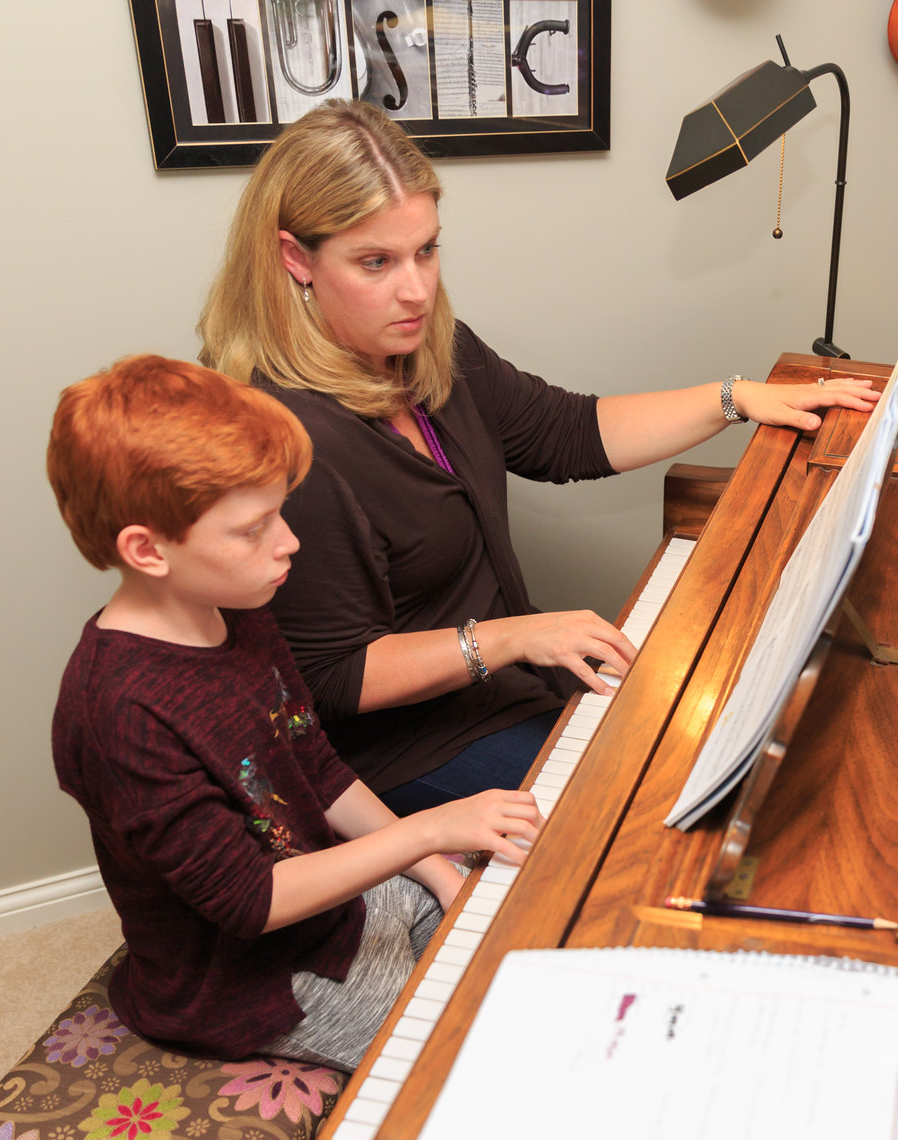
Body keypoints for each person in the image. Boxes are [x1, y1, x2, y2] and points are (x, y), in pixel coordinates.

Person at [197, 100, 877, 814]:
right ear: (295, 258)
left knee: (713, 736)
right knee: (644, 807)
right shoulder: (284, 438)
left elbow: (570, 433)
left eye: (427, 250)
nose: (417, 289)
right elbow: (332, 676)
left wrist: (735, 398)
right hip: (403, 751)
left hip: (502, 688)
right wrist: (517, 636)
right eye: (377, 262)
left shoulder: (431, 349)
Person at [46, 354, 544, 1067]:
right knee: (485, 1055)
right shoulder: (119, 711)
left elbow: (313, 764)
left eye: (281, 510)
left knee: (531, 934)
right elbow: (252, 901)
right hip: (256, 983)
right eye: (253, 529)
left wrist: (435, 864)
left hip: (340, 907)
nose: (289, 543)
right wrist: (426, 830)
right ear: (147, 549)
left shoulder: (239, 609)